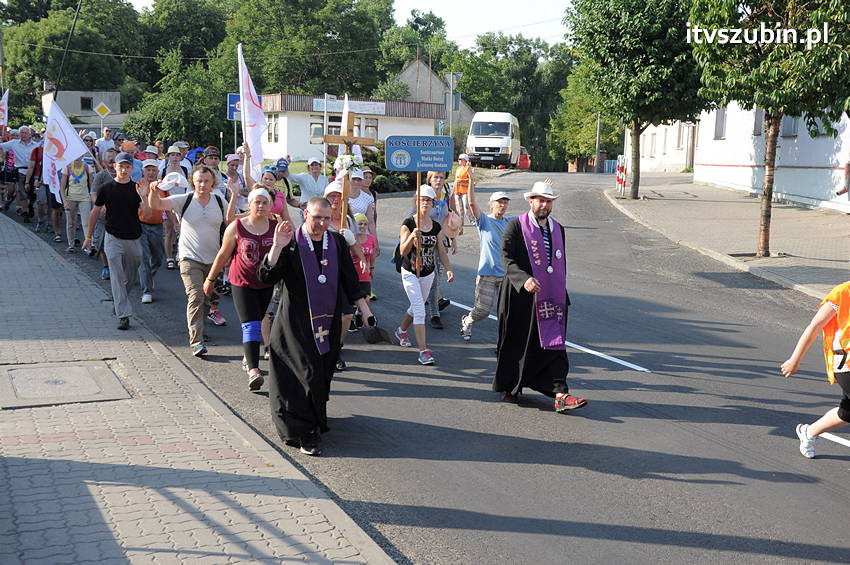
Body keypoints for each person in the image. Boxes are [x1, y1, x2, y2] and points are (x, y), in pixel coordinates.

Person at [258, 197, 370, 456]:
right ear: (305, 214)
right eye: (316, 217)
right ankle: (302, 432)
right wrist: (276, 247)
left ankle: (314, 422)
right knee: (303, 374)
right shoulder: (291, 241)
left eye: (326, 218)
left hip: (326, 322)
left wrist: (366, 312)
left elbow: (349, 280)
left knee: (320, 374)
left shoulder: (337, 242)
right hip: (294, 323)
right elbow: (266, 276)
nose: (321, 223)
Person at [493, 181, 587, 412]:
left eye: (548, 201)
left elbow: (559, 263)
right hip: (520, 296)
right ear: (530, 201)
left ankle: (560, 393)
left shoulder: (558, 229)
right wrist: (523, 279)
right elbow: (506, 258)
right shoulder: (516, 226)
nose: (544, 205)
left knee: (555, 342)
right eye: (540, 200)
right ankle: (510, 387)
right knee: (517, 342)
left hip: (551, 296)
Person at [148, 165, 228, 355]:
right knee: (196, 296)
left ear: (213, 183)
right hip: (189, 258)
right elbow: (157, 205)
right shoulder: (184, 199)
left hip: (213, 260)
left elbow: (232, 219)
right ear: (193, 182)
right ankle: (197, 341)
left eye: (206, 181)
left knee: (206, 299)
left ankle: (199, 329)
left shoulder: (219, 201)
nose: (202, 185)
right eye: (199, 181)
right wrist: (153, 191)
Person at [204, 188, 276, 391]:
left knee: (259, 319)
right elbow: (223, 254)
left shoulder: (275, 227)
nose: (260, 206)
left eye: (265, 202)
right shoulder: (237, 226)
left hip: (266, 283)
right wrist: (210, 279)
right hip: (241, 282)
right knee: (251, 324)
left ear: (271, 205)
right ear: (250, 204)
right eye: (257, 202)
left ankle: (248, 354)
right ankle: (254, 371)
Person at [781, 281, 850, 458]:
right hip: (845, 362)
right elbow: (815, 327)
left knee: (847, 413)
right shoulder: (842, 292)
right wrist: (795, 359)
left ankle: (809, 432)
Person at [82, 152, 151, 330]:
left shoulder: (137, 188)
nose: (124, 170)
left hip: (133, 237)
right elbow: (95, 212)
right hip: (112, 237)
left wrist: (144, 197)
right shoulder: (106, 188)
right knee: (117, 276)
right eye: (121, 166)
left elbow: (148, 214)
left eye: (127, 167)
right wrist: (88, 237)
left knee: (131, 275)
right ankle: (123, 315)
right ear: (115, 166)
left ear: (132, 168)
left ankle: (120, 300)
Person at [394, 185, 454, 365]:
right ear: (416, 201)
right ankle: (423, 351)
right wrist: (412, 236)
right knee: (420, 310)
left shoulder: (435, 226)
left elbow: (441, 251)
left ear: (433, 204)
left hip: (428, 272)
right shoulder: (408, 223)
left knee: (415, 307)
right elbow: (403, 251)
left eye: (429, 200)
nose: (425, 203)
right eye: (422, 200)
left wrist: (449, 269)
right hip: (410, 272)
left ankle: (401, 331)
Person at [460, 186, 517, 341]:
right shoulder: (484, 221)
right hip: (487, 273)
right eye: (499, 202)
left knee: (507, 311)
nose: (502, 205)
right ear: (491, 204)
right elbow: (472, 204)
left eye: (505, 202)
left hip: (506, 275)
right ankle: (467, 321)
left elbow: (530, 217)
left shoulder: (510, 222)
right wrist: (471, 181)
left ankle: (504, 343)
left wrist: (541, 193)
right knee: (482, 311)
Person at [136, 159, 167, 304]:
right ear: (143, 171)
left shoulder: (162, 186)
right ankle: (146, 291)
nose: (151, 172)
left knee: (158, 258)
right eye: (148, 170)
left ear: (158, 171)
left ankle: (148, 278)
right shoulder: (138, 185)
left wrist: (175, 223)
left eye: (154, 170)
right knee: (144, 259)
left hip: (157, 226)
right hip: (140, 225)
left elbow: (168, 206)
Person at [1, 126, 38, 221]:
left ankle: (30, 206)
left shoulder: (36, 145)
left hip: (33, 171)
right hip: (20, 171)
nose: (23, 135)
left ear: (30, 134)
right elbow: (1, 146)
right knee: (22, 192)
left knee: (32, 193)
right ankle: (25, 213)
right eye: (22, 133)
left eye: (26, 133)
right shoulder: (14, 143)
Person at [60, 155, 94, 253]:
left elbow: (92, 186)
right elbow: (62, 187)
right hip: (70, 198)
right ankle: (71, 245)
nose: (77, 157)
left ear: (82, 155)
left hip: (85, 198)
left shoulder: (88, 168)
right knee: (71, 223)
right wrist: (64, 202)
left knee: (86, 222)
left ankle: (89, 245)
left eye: (79, 155)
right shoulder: (67, 168)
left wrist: (93, 200)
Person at [452, 153, 474, 221]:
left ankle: (472, 220)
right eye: (459, 159)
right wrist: (453, 188)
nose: (459, 161)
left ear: (465, 160)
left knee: (466, 206)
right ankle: (460, 222)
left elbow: (471, 179)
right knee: (459, 208)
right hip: (457, 190)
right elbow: (456, 179)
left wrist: (462, 180)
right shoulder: (458, 168)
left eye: (460, 159)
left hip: (465, 191)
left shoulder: (469, 169)